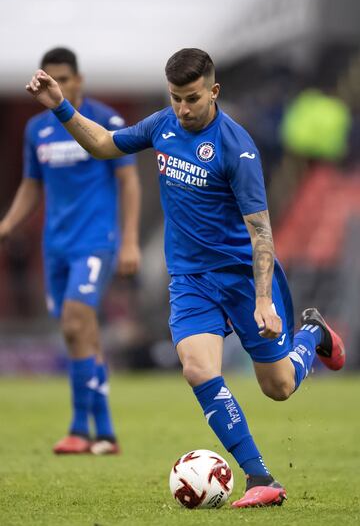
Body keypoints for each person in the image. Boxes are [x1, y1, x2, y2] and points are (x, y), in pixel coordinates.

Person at [25, 48, 345, 506]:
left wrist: (262, 301)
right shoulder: (162, 125)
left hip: (242, 277)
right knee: (197, 368)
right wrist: (60, 105)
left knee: (278, 388)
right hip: (191, 279)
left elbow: (261, 234)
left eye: (192, 98)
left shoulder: (237, 148)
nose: (183, 108)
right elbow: (101, 143)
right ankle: (261, 478)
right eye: (175, 97)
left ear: (214, 92)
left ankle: (312, 334)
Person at [1, 47, 141, 455]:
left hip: (95, 242)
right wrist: (8, 224)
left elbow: (129, 181)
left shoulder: (105, 121)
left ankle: (80, 429)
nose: (57, 84)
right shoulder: (36, 130)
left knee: (76, 323)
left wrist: (130, 239)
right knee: (82, 335)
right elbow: (32, 185)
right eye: (50, 77)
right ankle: (108, 433)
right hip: (56, 247)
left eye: (64, 77)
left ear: (79, 80)